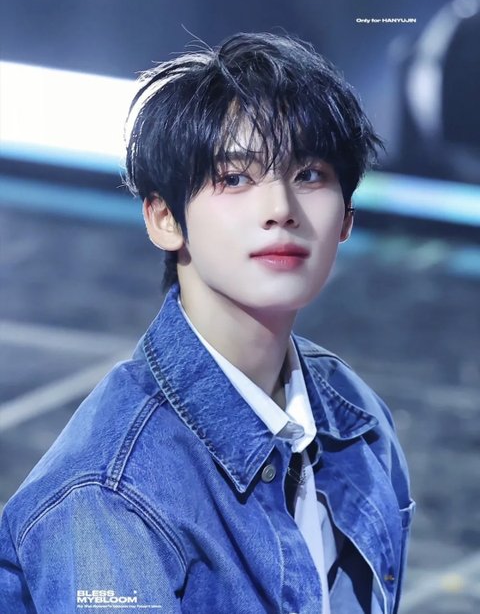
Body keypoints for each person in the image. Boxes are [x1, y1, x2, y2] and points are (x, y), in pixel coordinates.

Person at [0, 32, 415, 614]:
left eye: (309, 174)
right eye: (235, 178)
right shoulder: (109, 499)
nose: (281, 209)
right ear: (164, 218)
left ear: (346, 216)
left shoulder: (356, 417)